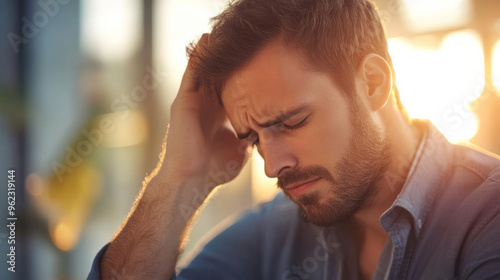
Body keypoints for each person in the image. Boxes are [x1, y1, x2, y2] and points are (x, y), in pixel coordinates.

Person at [88, 0, 500, 279]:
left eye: (292, 122)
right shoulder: (276, 231)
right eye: (253, 138)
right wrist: (181, 179)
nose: (271, 166)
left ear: (373, 84)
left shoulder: (488, 214)